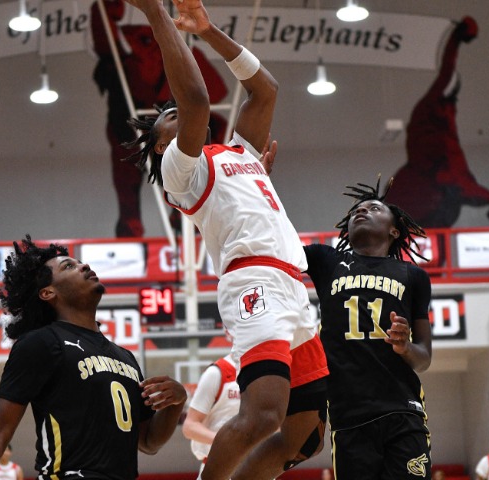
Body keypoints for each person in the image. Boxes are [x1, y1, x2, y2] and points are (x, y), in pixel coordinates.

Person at [122, 1, 328, 479]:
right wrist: (156, 13)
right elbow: (195, 100)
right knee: (263, 416)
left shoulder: (240, 151)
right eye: (168, 118)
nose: (177, 113)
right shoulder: (181, 170)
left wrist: (208, 30)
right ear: (162, 146)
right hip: (254, 283)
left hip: (292, 285)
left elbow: (265, 89)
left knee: (305, 433)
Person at [0, 235, 187, 480]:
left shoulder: (125, 357)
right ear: (47, 292)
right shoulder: (41, 342)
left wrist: (176, 403)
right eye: (68, 266)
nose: (84, 266)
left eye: (80, 263)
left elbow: (148, 442)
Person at [303, 176, 433, 479]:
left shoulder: (413, 277)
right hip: (349, 417)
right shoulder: (326, 260)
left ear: (394, 230)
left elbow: (424, 358)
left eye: (374, 208)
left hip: (403, 411)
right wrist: (258, 180)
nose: (361, 211)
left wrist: (405, 347)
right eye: (356, 211)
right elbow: (276, 243)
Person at [182, 351, 240, 473]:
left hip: (258, 465)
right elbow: (189, 426)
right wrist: (227, 441)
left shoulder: (268, 373)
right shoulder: (216, 372)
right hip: (219, 465)